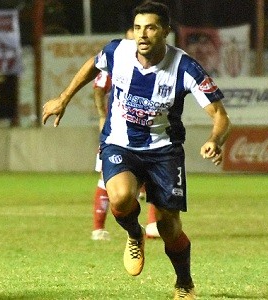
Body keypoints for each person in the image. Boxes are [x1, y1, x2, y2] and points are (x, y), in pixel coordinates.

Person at [41, 2, 230, 299]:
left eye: (151, 27)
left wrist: (215, 140)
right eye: (139, 27)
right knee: (121, 196)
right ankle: (134, 234)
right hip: (120, 143)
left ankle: (184, 283)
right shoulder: (119, 51)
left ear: (165, 32)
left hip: (164, 150)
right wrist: (63, 98)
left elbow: (220, 115)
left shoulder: (185, 67)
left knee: (169, 227)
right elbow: (93, 64)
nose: (142, 35)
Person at [90, 28, 159, 241]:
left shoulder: (158, 63)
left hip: (145, 133)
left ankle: (152, 225)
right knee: (106, 178)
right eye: (135, 33)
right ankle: (98, 228)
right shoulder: (117, 58)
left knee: (154, 178)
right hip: (117, 133)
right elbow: (99, 86)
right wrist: (103, 115)